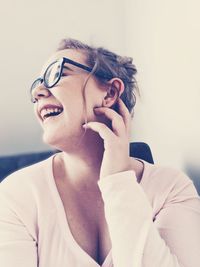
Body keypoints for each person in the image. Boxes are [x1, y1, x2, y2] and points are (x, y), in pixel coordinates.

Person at [0, 38, 199, 267]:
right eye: (37, 83)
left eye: (57, 73)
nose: (38, 91)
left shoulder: (172, 189)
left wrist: (117, 183)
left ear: (110, 93)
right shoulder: (15, 195)